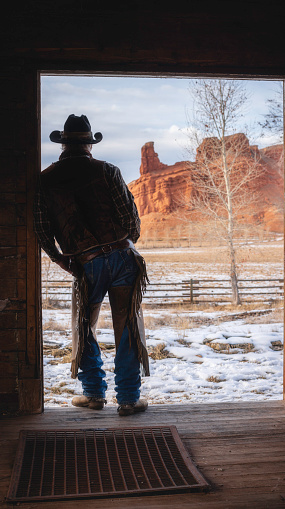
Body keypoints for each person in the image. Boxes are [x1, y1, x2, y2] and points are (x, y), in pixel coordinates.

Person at [33, 114, 149, 416]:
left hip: (86, 263)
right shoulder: (107, 171)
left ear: (63, 145)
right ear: (88, 145)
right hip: (124, 257)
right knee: (127, 327)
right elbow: (131, 220)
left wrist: (62, 260)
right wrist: (126, 243)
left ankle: (95, 394)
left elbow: (44, 231)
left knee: (84, 326)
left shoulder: (45, 180)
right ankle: (127, 399)